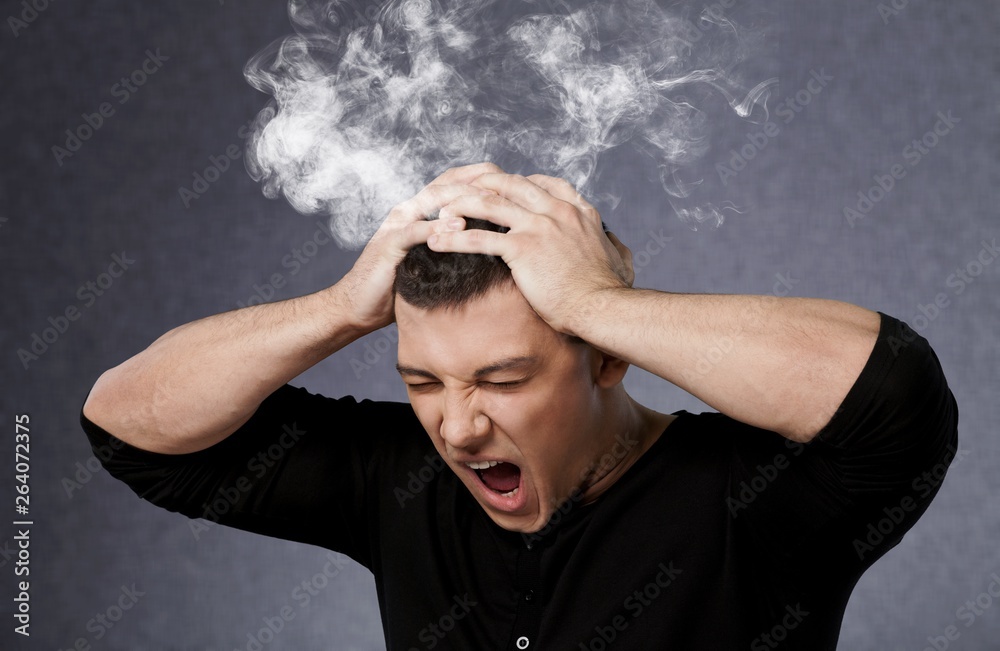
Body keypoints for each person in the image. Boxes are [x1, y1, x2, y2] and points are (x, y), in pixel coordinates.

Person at [81, 162, 958, 649]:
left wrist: (590, 302)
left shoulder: (758, 500)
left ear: (606, 359)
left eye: (503, 382)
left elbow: (893, 390)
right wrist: (342, 308)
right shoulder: (397, 475)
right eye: (423, 382)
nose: (458, 428)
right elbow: (131, 424)